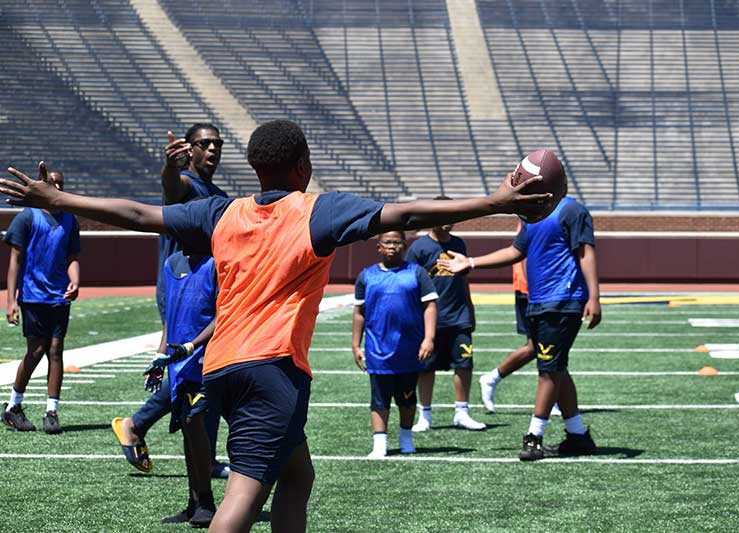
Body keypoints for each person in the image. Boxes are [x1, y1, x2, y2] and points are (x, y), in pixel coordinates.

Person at [1, 118, 553, 532]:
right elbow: (404, 216)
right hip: (272, 371)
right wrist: (498, 200)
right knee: (243, 496)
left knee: (297, 476)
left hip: (219, 365)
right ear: (301, 167)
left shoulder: (224, 212)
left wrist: (56, 197)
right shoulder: (315, 210)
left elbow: (140, 215)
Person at [437, 194, 601, 461]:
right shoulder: (532, 214)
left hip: (562, 300)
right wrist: (471, 262)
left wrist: (594, 295)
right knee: (556, 366)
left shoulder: (571, 209)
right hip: (537, 300)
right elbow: (516, 251)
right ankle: (578, 436)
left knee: (548, 370)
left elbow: (585, 251)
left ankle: (534, 437)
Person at [111, 124, 229, 477]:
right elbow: (170, 188)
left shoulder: (215, 191)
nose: (212, 149)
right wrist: (169, 168)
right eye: (204, 143)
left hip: (204, 288)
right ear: (189, 149)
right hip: (183, 288)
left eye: (217, 143)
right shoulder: (187, 184)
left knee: (203, 371)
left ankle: (197, 454)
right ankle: (136, 424)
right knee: (196, 372)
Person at [141, 250, 218, 527]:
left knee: (195, 422)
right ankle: (195, 502)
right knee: (188, 429)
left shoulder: (216, 262)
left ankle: (209, 502)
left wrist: (192, 345)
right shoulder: (171, 264)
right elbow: (169, 320)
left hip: (212, 361)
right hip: (179, 365)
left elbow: (223, 315)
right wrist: (158, 359)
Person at [2, 169, 79, 435]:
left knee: (56, 351)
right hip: (33, 296)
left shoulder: (70, 219)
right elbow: (15, 261)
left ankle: (52, 411)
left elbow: (72, 257)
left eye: (60, 184)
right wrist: (10, 300)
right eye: (51, 183)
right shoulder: (27, 217)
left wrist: (75, 281)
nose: (56, 187)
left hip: (59, 296)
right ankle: (13, 407)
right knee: (35, 352)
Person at [351, 230, 438, 459]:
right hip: (378, 349)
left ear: (405, 246)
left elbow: (430, 306)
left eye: (397, 242)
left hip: (409, 349)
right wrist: (355, 344)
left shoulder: (417, 273)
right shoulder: (367, 275)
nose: (392, 246)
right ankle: (380, 443)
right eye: (387, 242)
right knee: (379, 399)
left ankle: (406, 437)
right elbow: (359, 312)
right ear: (378, 246)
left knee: (407, 399)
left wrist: (428, 338)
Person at [405, 198, 485, 432]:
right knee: (426, 367)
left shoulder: (459, 244)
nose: (448, 223)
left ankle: (462, 412)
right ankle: (425, 415)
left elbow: (463, 279)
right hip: (429, 320)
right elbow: (411, 283)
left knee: (464, 363)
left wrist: (470, 309)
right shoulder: (419, 248)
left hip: (458, 316)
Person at [479, 221, 535, 413]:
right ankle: (492, 377)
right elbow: (526, 252)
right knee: (542, 346)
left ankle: (554, 397)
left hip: (535, 289)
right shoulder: (533, 218)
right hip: (532, 291)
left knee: (545, 346)